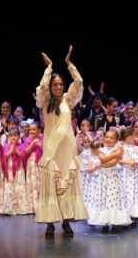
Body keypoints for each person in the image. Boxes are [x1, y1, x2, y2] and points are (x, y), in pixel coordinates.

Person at [34, 45, 88, 239]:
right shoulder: (46, 101)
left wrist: (69, 64)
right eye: (55, 84)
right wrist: (49, 68)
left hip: (68, 148)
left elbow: (79, 81)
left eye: (60, 84)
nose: (58, 87)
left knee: (67, 182)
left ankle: (66, 222)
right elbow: (41, 87)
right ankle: (50, 223)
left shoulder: (68, 100)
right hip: (51, 149)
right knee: (52, 182)